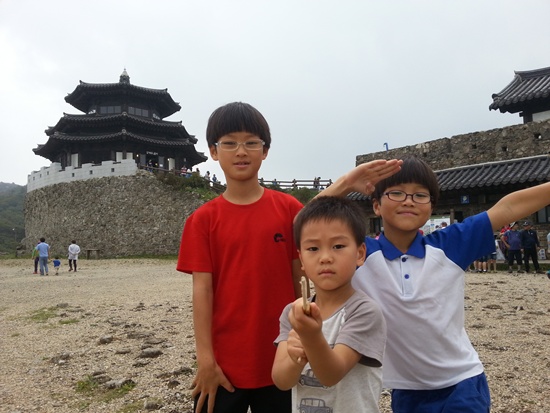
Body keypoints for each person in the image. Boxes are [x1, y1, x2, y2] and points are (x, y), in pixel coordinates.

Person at [322, 156, 550, 413]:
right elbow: (309, 225)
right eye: (396, 193)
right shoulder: (359, 254)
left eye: (420, 195)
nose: (408, 200)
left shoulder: (450, 245)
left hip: (462, 382)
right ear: (376, 205)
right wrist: (346, 183)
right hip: (405, 390)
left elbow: (507, 209)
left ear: (431, 208)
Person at [176, 102, 304, 413]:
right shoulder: (202, 220)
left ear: (265, 150)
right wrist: (206, 362)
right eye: (229, 143)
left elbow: (299, 282)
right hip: (223, 367)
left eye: (251, 142)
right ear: (214, 151)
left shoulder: (289, 211)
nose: (241, 151)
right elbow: (202, 292)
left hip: (282, 360)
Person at [272, 196, 387, 413]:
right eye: (313, 249)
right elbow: (281, 380)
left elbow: (331, 375)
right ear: (301, 259)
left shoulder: (364, 311)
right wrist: (295, 360)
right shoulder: (293, 312)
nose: (325, 257)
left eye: (338, 246)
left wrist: (310, 337)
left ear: (360, 253)